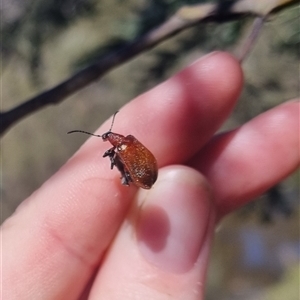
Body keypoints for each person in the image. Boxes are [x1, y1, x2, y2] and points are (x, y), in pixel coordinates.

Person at [2, 52, 299, 299]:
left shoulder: (125, 145)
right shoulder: (126, 144)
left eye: (109, 139)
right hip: (146, 172)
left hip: (148, 174)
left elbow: (138, 164)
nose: (109, 141)